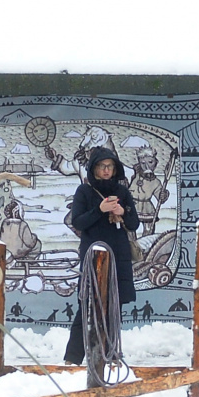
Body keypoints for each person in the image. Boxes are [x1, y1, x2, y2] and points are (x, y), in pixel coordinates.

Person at [62, 147, 138, 365]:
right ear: (94, 168)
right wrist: (101, 209)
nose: (107, 170)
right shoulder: (84, 191)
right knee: (86, 304)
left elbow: (134, 224)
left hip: (118, 254)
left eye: (110, 166)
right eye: (102, 166)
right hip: (94, 255)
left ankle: (111, 354)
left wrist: (123, 212)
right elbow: (78, 222)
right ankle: (73, 358)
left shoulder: (122, 192)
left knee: (114, 307)